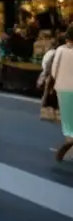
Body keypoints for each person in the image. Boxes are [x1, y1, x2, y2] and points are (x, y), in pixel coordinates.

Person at [50, 26, 73, 162]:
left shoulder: (60, 50)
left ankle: (70, 146)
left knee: (68, 121)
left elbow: (54, 71)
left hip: (63, 88)